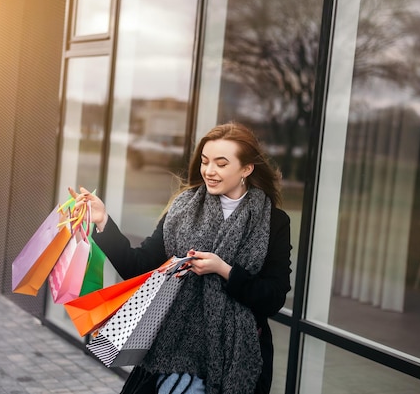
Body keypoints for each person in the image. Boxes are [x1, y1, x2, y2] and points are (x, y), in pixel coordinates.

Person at [70, 122, 292, 394]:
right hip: (172, 353)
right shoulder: (183, 209)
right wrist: (104, 221)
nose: (209, 171)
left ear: (246, 169)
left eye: (221, 164)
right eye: (205, 161)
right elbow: (139, 268)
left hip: (235, 357)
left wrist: (224, 271)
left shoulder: (273, 222)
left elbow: (273, 298)